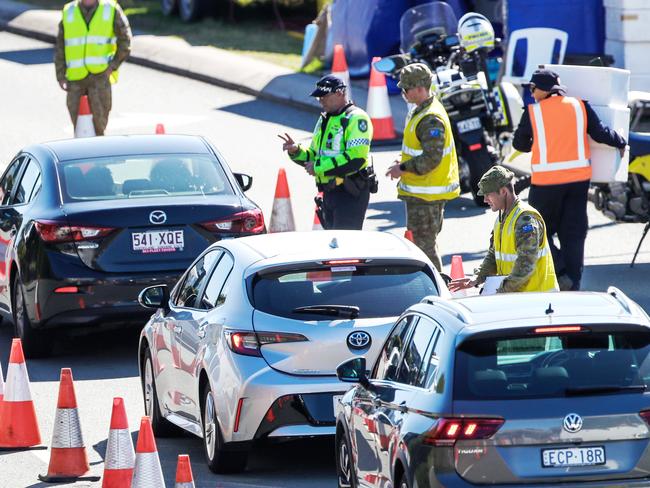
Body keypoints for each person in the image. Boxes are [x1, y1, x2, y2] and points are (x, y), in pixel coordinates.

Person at [512, 69, 627, 291]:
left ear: (542, 89)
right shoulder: (580, 106)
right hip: (578, 184)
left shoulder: (533, 113)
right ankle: (573, 285)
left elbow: (520, 145)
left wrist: (533, 136)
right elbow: (601, 133)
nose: (531, 93)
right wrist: (621, 142)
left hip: (546, 185)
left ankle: (560, 270)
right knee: (573, 234)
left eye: (532, 88)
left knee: (534, 232)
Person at [385, 63, 459, 272]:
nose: (403, 93)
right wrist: (401, 161)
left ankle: (436, 288)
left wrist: (403, 168)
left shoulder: (430, 119)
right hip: (423, 193)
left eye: (406, 89)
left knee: (423, 248)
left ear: (419, 88)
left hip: (426, 195)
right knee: (423, 244)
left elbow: (431, 159)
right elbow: (416, 149)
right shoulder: (421, 110)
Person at [279, 75, 375, 230]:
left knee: (345, 246)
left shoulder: (357, 118)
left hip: (350, 193)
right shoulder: (325, 119)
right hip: (329, 193)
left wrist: (318, 167)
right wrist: (296, 151)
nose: (321, 101)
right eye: (319, 98)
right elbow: (315, 154)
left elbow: (356, 158)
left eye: (324, 96)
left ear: (340, 93)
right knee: (331, 246)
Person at [449, 166, 559, 293]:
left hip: (538, 300)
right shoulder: (502, 218)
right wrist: (477, 277)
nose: (485, 200)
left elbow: (526, 265)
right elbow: (494, 254)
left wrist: (501, 291)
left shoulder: (525, 219)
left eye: (488, 195)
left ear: (503, 191)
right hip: (518, 297)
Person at [54, 0, 132, 136]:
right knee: (79, 129)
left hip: (99, 79)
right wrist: (60, 75)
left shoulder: (110, 9)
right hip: (76, 80)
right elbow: (61, 46)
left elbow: (125, 41)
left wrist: (112, 66)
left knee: (99, 129)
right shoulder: (69, 11)